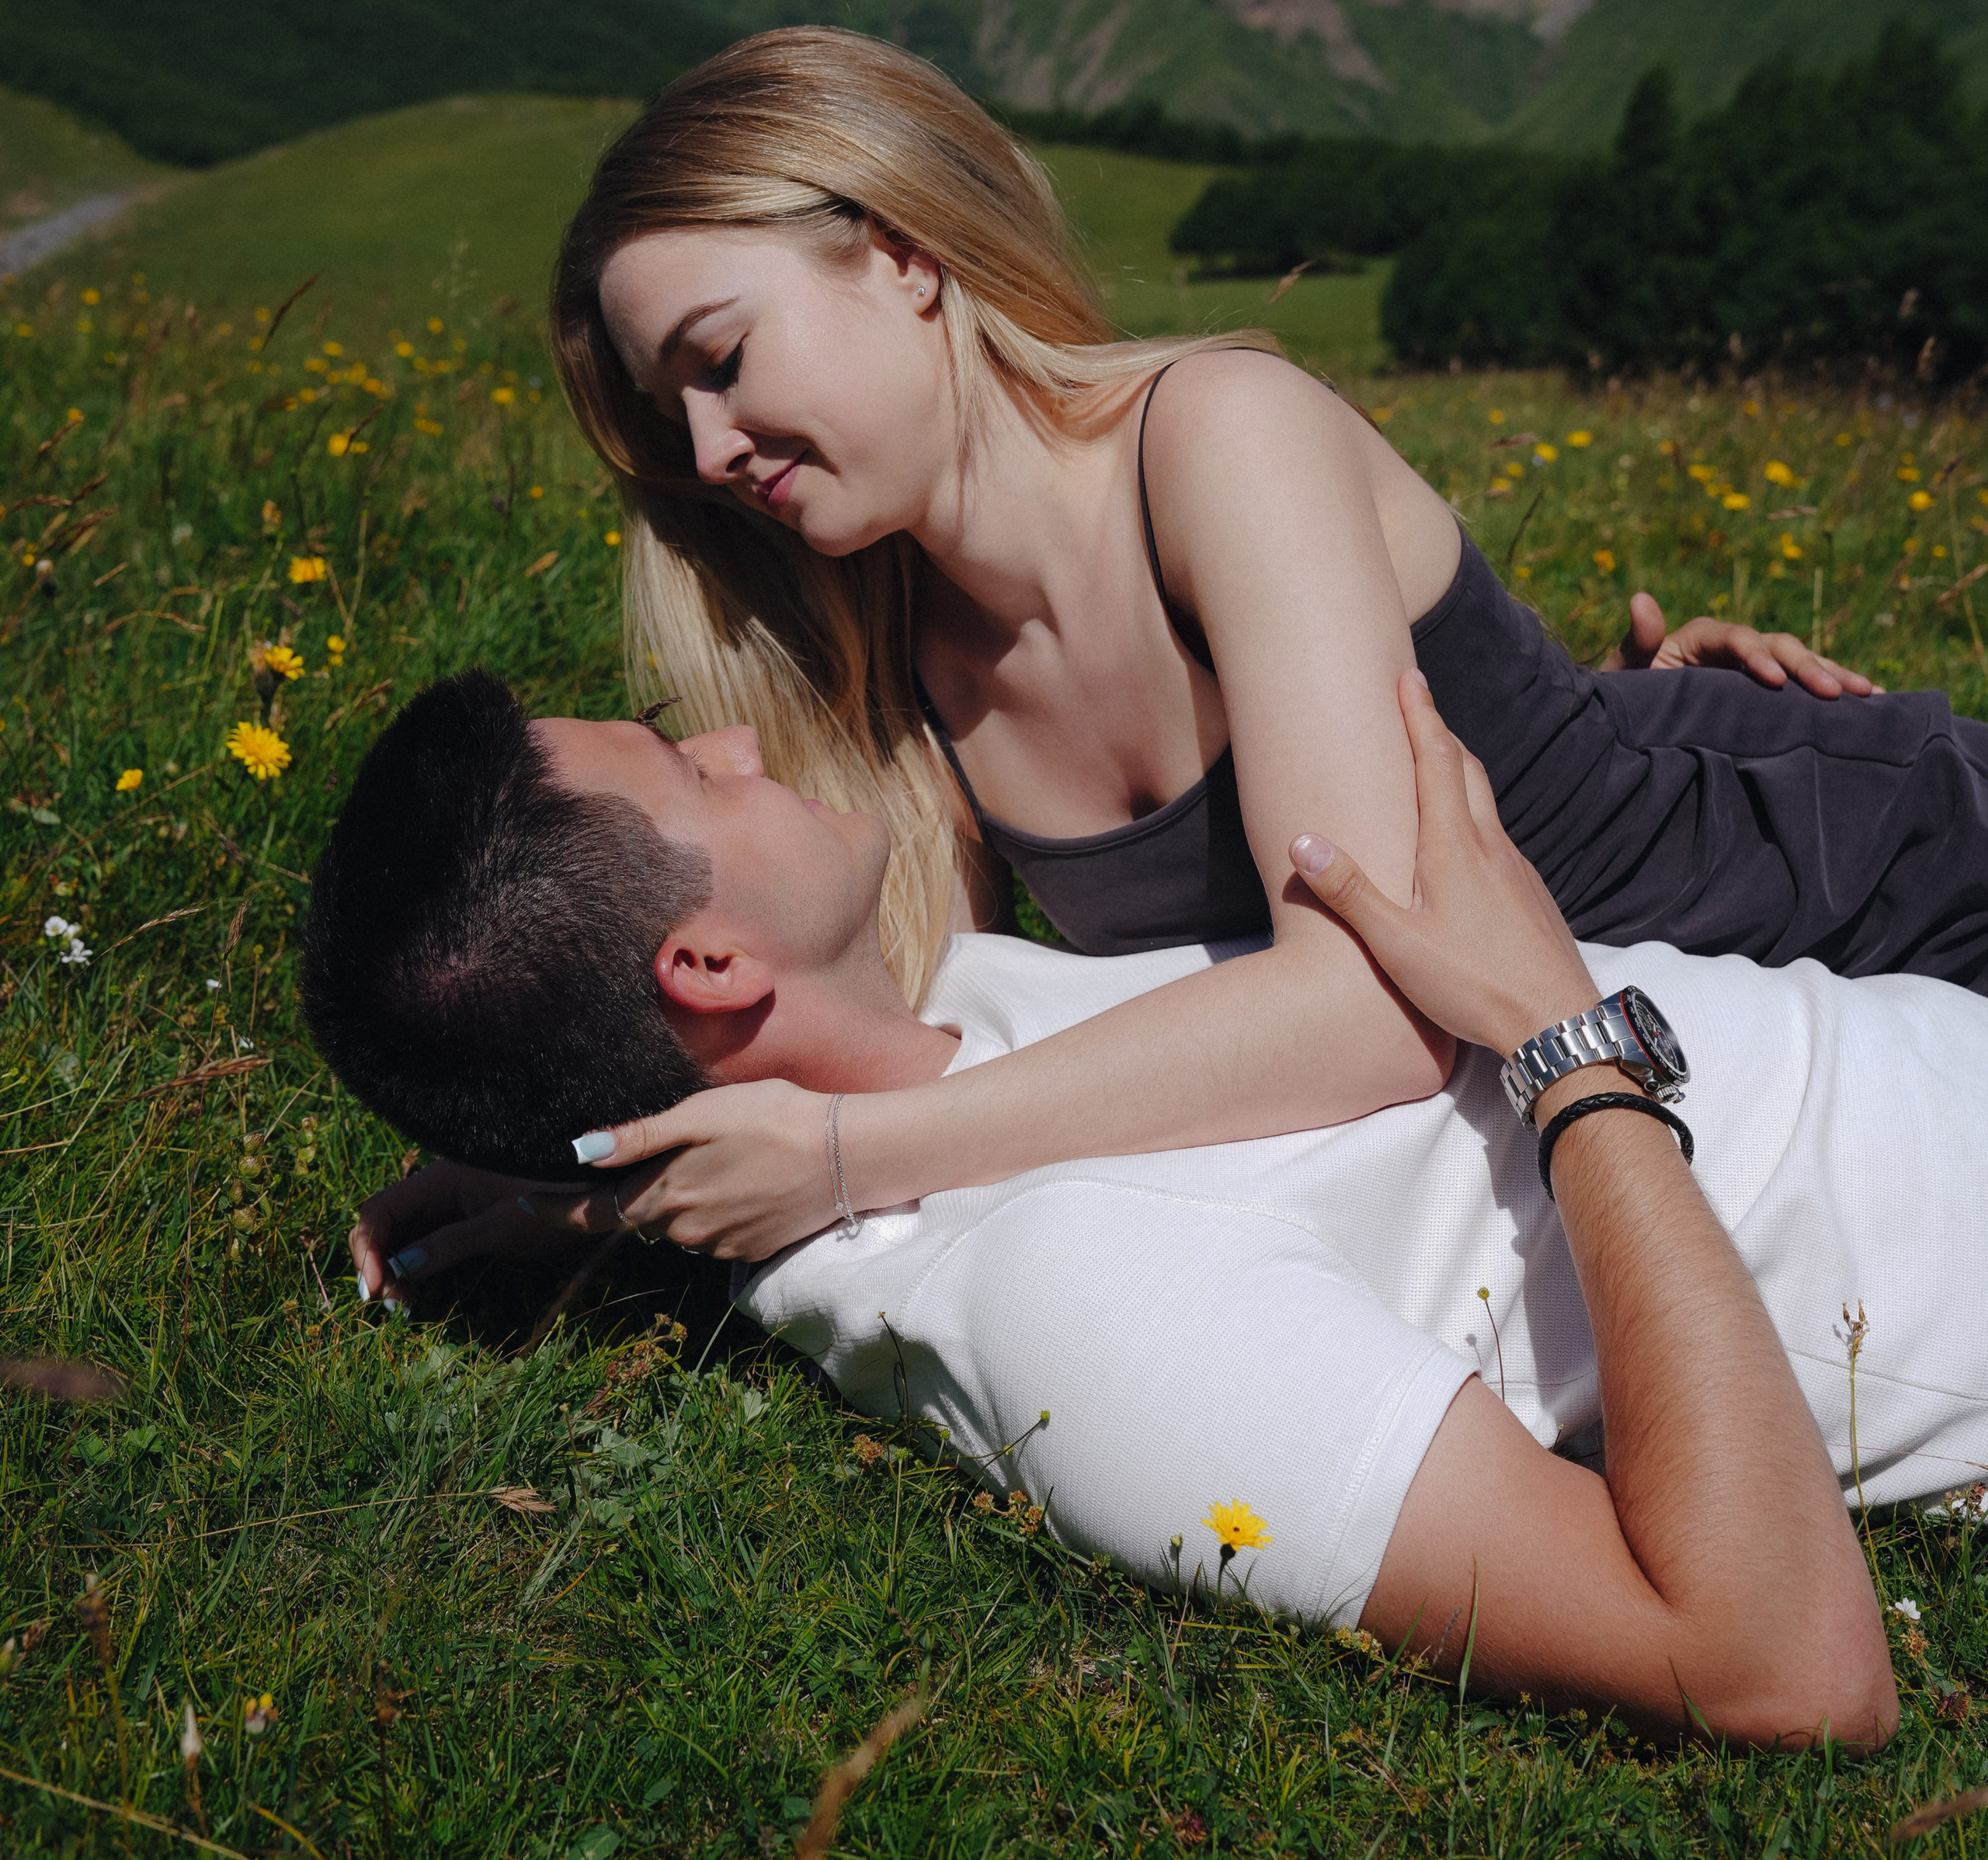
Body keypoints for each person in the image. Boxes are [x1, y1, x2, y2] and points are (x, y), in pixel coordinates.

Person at [321, 672, 1986, 1747]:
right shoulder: (1064, 1295)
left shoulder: (944, 1056)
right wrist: (1561, 1042)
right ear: (704, 965)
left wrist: (581, 1172)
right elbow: (1776, 1659)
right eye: (694, 769)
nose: (739, 738)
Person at [534, 25, 1988, 1247]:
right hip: (1704, 1071)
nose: (713, 445)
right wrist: (582, 1183)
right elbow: (895, 1027)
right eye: (678, 416)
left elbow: (1373, 1005)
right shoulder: (903, 671)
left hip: (1875, 881)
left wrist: (852, 1154)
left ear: (904, 253)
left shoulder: (1218, 437)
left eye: (721, 361)